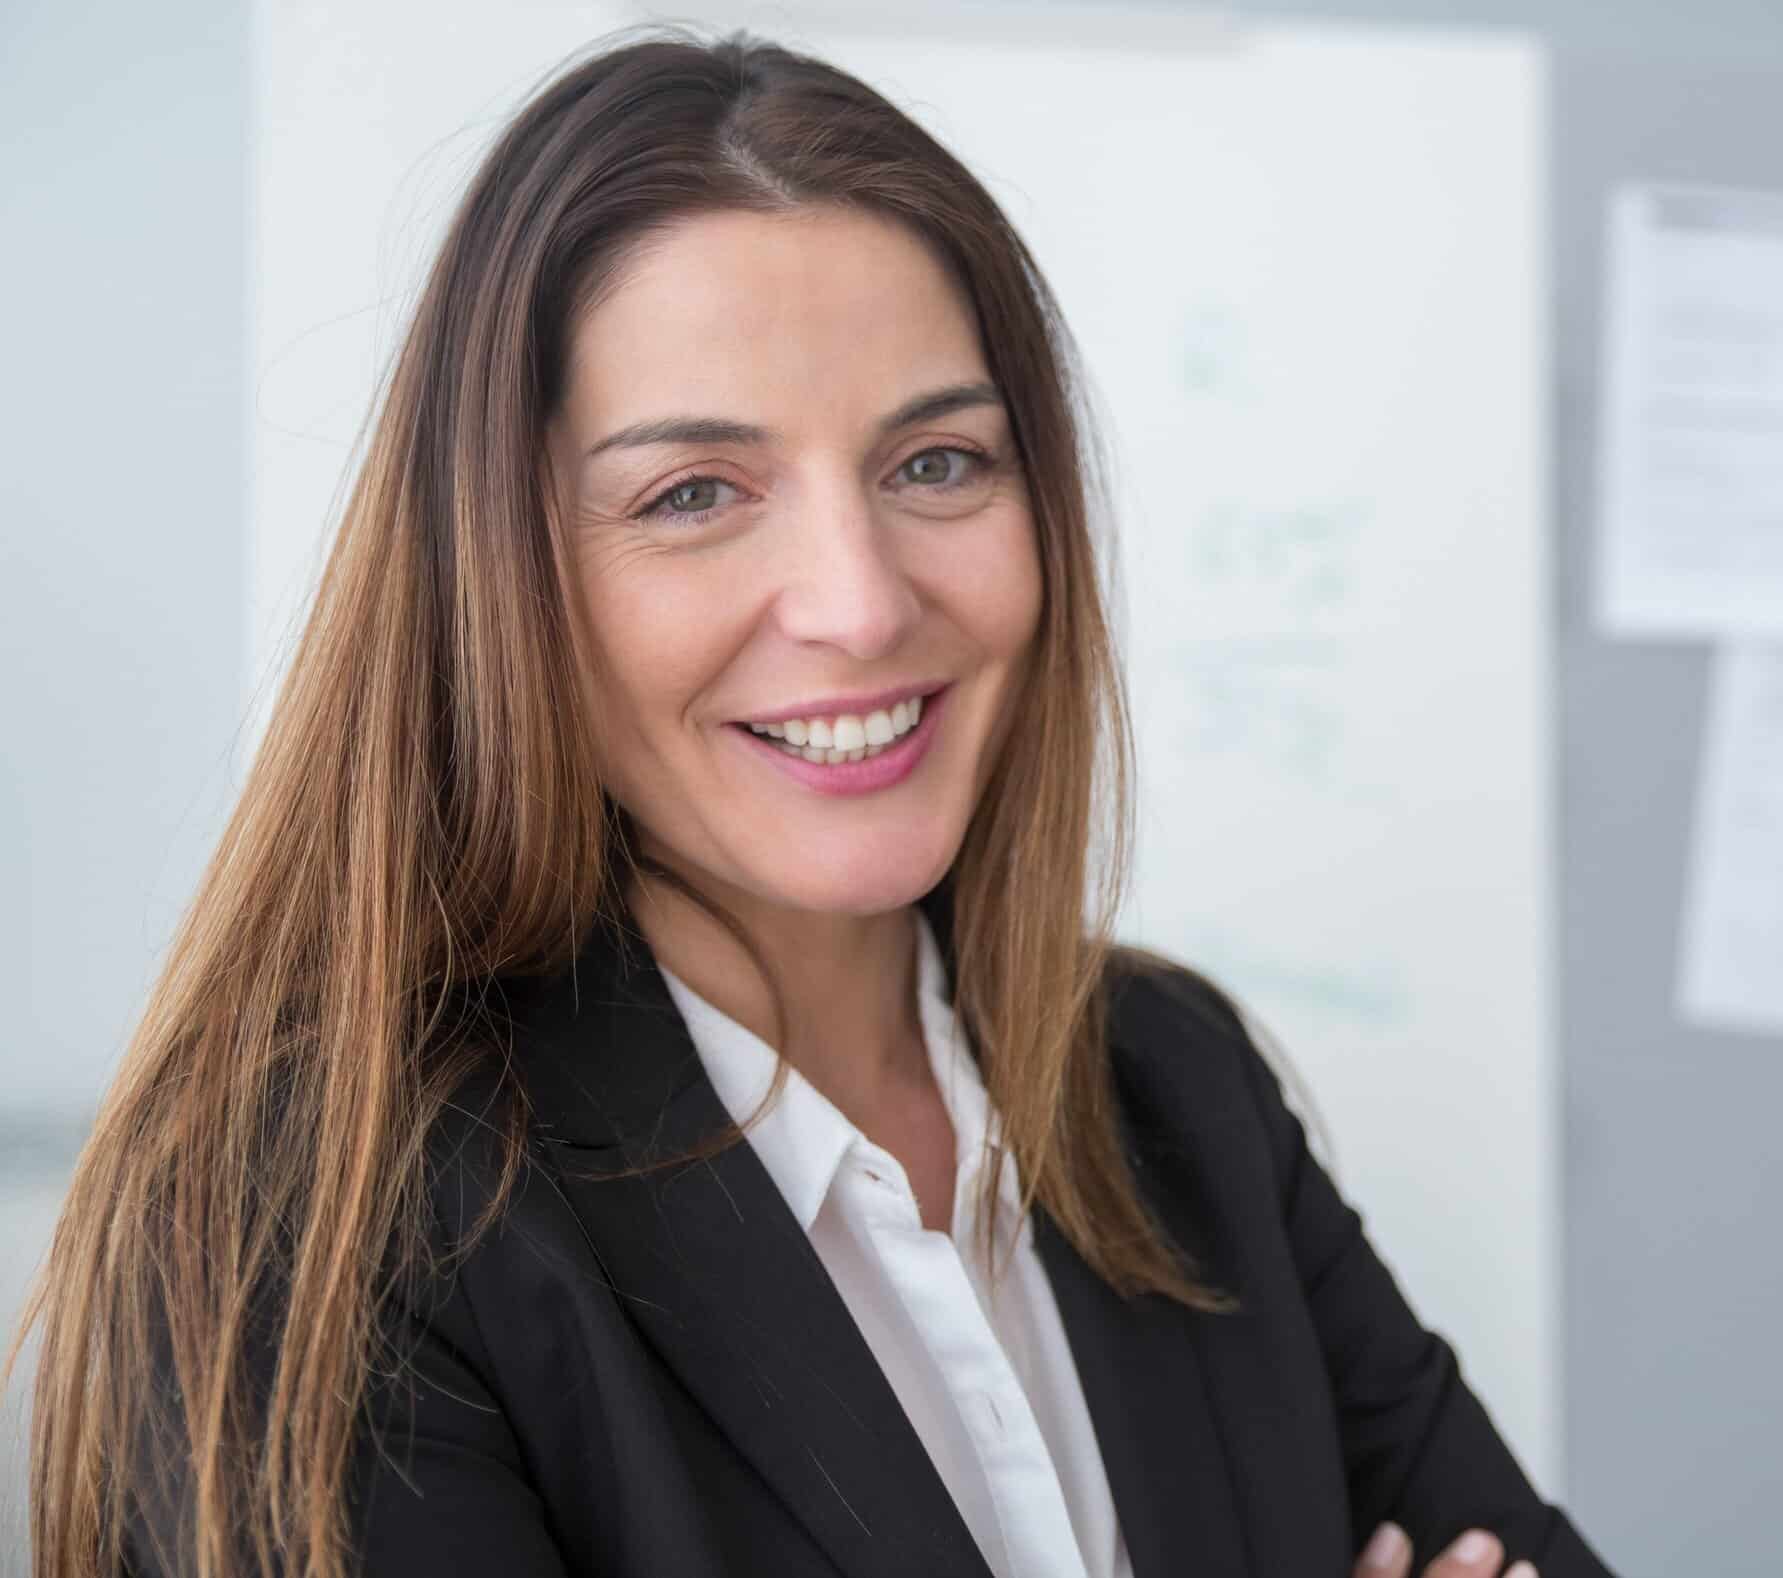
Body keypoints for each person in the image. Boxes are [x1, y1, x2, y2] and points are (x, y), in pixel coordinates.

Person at [15, 26, 1617, 1578]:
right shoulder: (335, 1231)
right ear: (504, 583)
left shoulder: (1170, 1091)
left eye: (936, 463)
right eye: (694, 494)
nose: (857, 603)